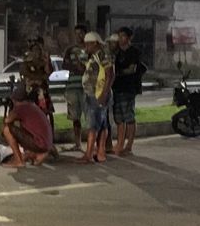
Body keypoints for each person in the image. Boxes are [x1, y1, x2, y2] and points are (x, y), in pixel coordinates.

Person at [77, 31, 114, 164]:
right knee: (101, 125)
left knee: (93, 125)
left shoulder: (102, 55)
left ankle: (89, 153)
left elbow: (110, 74)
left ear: (95, 43)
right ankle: (100, 152)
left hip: (97, 94)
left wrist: (103, 94)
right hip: (93, 93)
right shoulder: (94, 56)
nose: (86, 47)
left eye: (88, 44)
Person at [112, 27, 146, 156]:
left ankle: (129, 145)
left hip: (129, 87)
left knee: (128, 116)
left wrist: (118, 73)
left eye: (123, 36)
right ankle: (120, 143)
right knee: (119, 118)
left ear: (129, 37)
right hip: (117, 87)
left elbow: (131, 69)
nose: (121, 39)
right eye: (119, 36)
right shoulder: (117, 52)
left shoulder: (133, 52)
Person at [2, 90, 55, 168]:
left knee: (6, 129)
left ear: (14, 100)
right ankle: (39, 154)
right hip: (46, 143)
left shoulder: (20, 107)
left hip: (39, 143)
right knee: (22, 130)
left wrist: (11, 112)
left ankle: (18, 161)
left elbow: (7, 121)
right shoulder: (32, 106)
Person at [61, 23, 89, 150]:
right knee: (75, 117)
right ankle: (78, 143)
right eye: (76, 34)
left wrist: (83, 68)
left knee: (89, 115)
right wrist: (76, 67)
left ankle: (92, 143)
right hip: (73, 86)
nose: (78, 36)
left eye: (81, 34)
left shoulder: (89, 49)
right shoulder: (70, 50)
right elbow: (64, 65)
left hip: (87, 86)